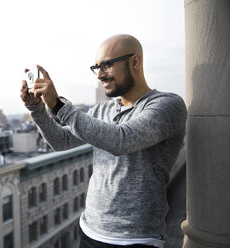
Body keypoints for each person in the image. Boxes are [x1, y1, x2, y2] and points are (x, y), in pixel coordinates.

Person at [20, 34, 187, 248]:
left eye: (106, 65)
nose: (99, 75)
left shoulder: (167, 105)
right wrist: (37, 109)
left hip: (135, 239)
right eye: (96, 67)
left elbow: (122, 140)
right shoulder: (102, 109)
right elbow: (61, 141)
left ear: (135, 62)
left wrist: (59, 106)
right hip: (89, 231)